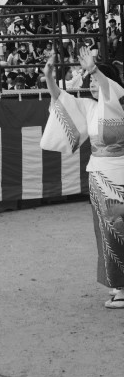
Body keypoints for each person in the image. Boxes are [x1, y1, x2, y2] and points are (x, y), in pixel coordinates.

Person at [42, 47, 124, 309]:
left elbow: (110, 91)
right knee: (106, 231)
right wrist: (49, 78)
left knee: (117, 228)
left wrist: (94, 69)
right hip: (98, 174)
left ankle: (121, 288)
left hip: (119, 172)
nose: (90, 84)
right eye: (89, 80)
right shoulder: (91, 107)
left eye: (93, 80)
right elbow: (62, 101)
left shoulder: (118, 102)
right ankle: (117, 285)